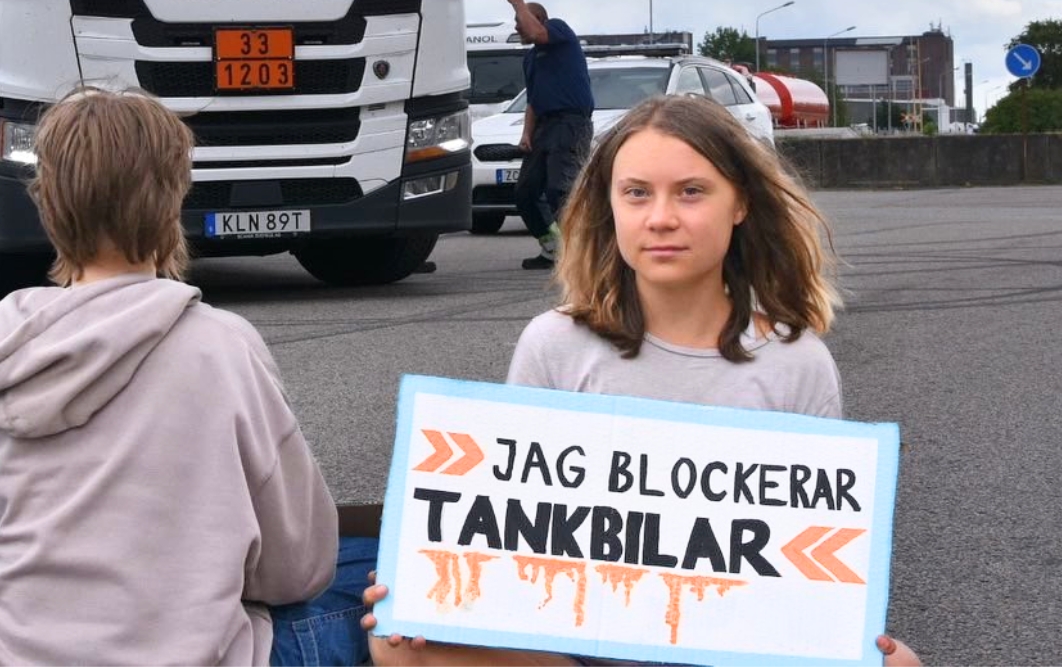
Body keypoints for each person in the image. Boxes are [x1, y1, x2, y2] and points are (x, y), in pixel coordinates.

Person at [362, 94, 921, 666]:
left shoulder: (796, 361)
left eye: (691, 191)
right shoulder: (555, 344)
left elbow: (808, 570)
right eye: (637, 193)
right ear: (610, 204)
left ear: (741, 205)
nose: (660, 217)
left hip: (729, 647)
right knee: (396, 641)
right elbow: (511, 532)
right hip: (574, 651)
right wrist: (430, 582)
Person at [0, 88, 338, 665]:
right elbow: (298, 565)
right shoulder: (223, 347)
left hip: (7, 653)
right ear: (172, 197)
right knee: (367, 578)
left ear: (47, 201)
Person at [508, 0, 594, 270]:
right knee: (525, 192)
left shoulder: (559, 30)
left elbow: (536, 33)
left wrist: (517, 3)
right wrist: (526, 134)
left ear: (540, 19)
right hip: (544, 127)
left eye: (520, 18)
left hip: (570, 122)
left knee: (560, 189)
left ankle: (585, 250)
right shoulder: (530, 58)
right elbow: (533, 101)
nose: (516, 24)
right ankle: (552, 248)